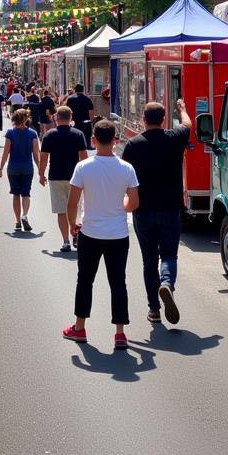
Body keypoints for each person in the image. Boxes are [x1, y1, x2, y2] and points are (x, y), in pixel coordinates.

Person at [63, 119, 139, 349]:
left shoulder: (83, 167)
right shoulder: (126, 168)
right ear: (115, 140)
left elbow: (72, 202)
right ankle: (119, 333)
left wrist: (72, 224)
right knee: (118, 282)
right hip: (117, 234)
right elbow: (133, 203)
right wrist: (120, 205)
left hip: (90, 231)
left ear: (93, 140)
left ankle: (79, 327)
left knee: (85, 280)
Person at [122, 99, 191, 326]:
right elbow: (188, 124)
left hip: (143, 210)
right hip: (170, 208)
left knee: (148, 260)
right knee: (169, 255)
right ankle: (167, 283)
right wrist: (181, 109)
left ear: (143, 119)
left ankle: (154, 309)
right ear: (163, 120)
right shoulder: (175, 137)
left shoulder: (133, 145)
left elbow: (125, 179)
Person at [39, 105, 88, 252]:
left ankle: (65, 240)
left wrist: (41, 174)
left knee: (61, 210)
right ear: (70, 117)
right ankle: (76, 233)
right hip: (75, 178)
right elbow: (84, 157)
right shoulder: (78, 134)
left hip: (56, 176)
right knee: (76, 208)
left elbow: (44, 157)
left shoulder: (49, 135)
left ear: (56, 118)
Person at [0, 108, 40, 233]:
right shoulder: (32, 133)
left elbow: (6, 152)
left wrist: (1, 167)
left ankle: (17, 222)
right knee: (26, 194)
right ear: (26, 119)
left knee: (16, 194)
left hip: (13, 168)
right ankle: (25, 215)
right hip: (27, 167)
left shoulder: (10, 133)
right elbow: (36, 155)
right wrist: (40, 170)